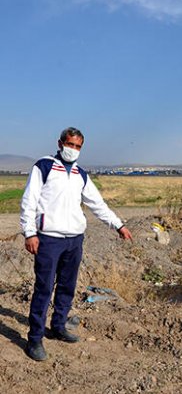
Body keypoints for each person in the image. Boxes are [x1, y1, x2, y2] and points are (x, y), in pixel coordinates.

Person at [20, 127, 133, 361]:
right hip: (49, 239)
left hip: (74, 240)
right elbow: (29, 201)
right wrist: (30, 233)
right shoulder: (45, 166)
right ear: (60, 143)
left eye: (78, 146)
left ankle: (58, 326)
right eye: (70, 144)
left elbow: (97, 204)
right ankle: (35, 339)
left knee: (67, 286)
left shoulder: (81, 174)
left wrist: (118, 225)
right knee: (44, 288)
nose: (73, 150)